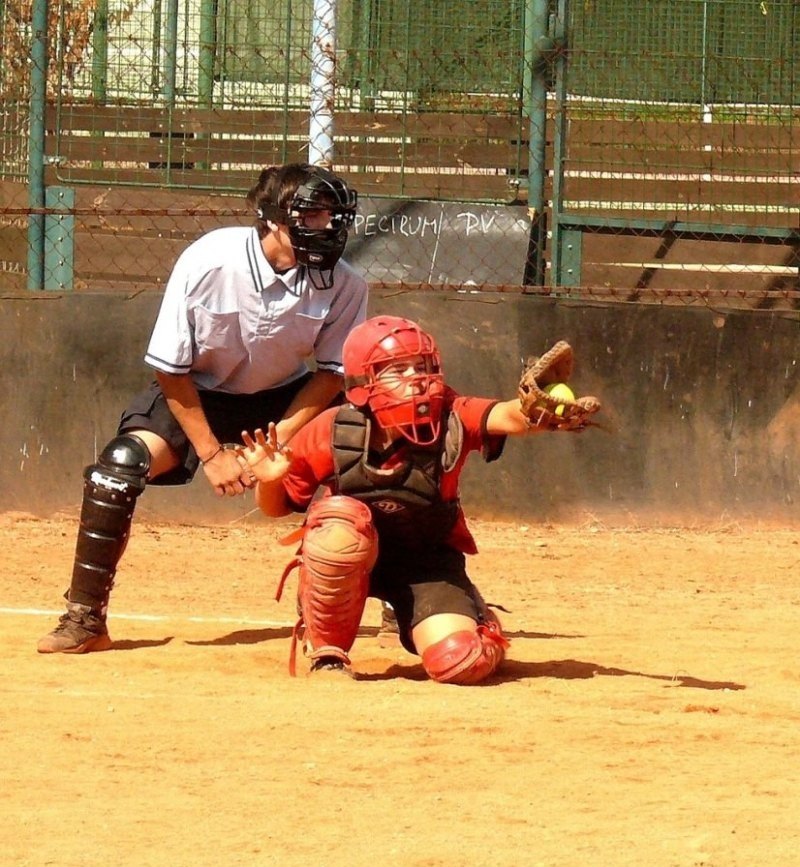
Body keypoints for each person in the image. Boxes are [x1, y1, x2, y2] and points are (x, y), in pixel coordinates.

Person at [38, 163, 368, 654]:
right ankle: (85, 619)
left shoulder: (345, 284)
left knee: (354, 457)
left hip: (285, 397)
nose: (330, 228)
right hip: (196, 394)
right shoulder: (210, 261)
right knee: (119, 466)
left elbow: (331, 374)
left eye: (336, 216)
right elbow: (171, 369)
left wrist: (277, 440)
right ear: (274, 218)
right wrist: (213, 455)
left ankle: (332, 620)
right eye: (315, 215)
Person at [237, 315, 595, 685]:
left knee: (460, 663)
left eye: (424, 367)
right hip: (351, 556)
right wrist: (269, 481)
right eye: (398, 370)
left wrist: (536, 410)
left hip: (426, 560)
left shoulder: (451, 415)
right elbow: (275, 508)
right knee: (338, 527)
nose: (417, 380)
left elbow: (504, 415)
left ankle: (480, 623)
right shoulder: (333, 428)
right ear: (363, 384)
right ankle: (328, 652)